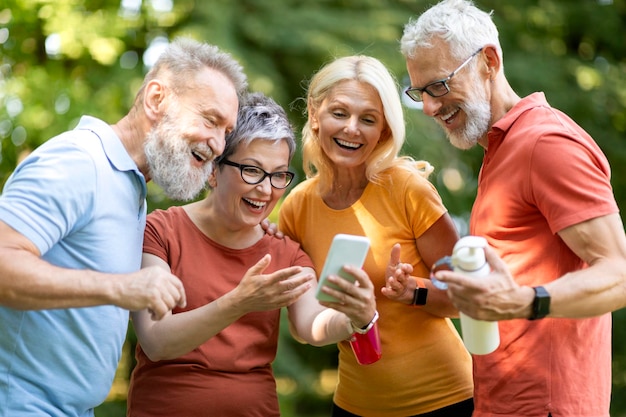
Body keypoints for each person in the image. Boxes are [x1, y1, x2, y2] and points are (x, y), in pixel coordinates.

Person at [400, 0, 626, 416]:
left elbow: (618, 274)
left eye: (439, 86)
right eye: (419, 93)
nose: (429, 107)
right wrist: (416, 292)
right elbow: (497, 294)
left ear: (488, 60)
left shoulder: (546, 143)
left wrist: (527, 300)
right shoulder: (501, 149)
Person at [0, 37, 247, 417]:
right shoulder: (79, 162)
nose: (218, 144)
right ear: (156, 99)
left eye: (226, 132)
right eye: (210, 120)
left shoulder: (132, 189)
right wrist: (122, 287)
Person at [125, 92, 374, 417]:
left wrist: (355, 318)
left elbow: (312, 324)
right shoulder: (161, 231)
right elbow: (156, 340)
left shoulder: (284, 251)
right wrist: (239, 302)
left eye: (278, 175)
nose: (267, 190)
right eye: (252, 171)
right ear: (213, 170)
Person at [278, 55, 474, 417]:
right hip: (355, 405)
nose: (352, 129)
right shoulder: (297, 207)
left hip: (447, 400)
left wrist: (412, 291)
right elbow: (303, 325)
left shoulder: (407, 189)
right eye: (339, 113)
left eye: (368, 119)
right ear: (315, 114)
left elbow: (467, 297)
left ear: (383, 130)